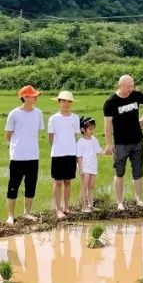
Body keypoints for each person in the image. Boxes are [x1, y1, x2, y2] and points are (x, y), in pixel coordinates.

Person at [102, 74, 143, 211]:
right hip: (121, 143)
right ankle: (120, 202)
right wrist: (109, 144)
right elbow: (107, 125)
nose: (131, 89)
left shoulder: (136, 95)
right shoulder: (111, 102)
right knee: (119, 172)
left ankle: (139, 200)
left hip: (137, 141)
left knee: (138, 171)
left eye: (132, 86)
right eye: (128, 87)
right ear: (120, 85)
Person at [5, 85, 45, 225]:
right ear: (25, 97)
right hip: (17, 156)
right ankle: (11, 215)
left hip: (33, 155)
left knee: (31, 186)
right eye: (34, 95)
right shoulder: (14, 114)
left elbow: (35, 132)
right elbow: (8, 134)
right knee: (13, 186)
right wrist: (18, 146)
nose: (36, 97)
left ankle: (27, 213)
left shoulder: (38, 113)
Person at [48, 90, 81, 220]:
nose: (66, 103)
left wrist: (70, 148)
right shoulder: (53, 119)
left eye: (68, 101)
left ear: (71, 103)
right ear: (59, 102)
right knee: (58, 182)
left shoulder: (75, 118)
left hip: (71, 153)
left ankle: (66, 207)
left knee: (67, 181)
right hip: (57, 154)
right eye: (63, 101)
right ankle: (58, 209)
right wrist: (58, 147)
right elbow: (51, 137)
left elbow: (75, 135)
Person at [75, 117, 103, 213]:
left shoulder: (94, 139)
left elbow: (99, 151)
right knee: (84, 186)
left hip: (93, 166)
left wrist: (108, 151)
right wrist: (80, 169)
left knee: (91, 186)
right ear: (83, 129)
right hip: (85, 167)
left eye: (93, 129)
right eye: (90, 129)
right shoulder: (80, 142)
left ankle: (91, 205)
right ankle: (84, 207)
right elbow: (79, 157)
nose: (92, 131)